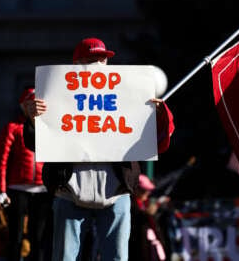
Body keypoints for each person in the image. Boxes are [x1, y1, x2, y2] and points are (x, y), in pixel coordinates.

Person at [22, 37, 175, 261]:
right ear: (77, 65)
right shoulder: (55, 96)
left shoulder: (127, 95)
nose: (98, 64)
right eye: (91, 59)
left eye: (102, 59)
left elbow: (159, 142)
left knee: (117, 257)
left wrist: (160, 114)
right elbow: (34, 144)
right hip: (69, 189)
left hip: (116, 191)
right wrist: (33, 120)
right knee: (64, 256)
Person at [0, 87, 52, 261]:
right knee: (16, 236)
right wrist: (1, 190)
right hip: (17, 189)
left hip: (42, 189)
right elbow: (1, 161)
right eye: (29, 103)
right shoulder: (12, 128)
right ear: (23, 106)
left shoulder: (48, 130)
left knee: (39, 238)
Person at [129, 174, 168, 261]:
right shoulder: (130, 204)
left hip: (149, 247)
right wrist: (147, 213)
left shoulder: (145, 203)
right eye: (144, 190)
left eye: (148, 190)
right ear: (136, 189)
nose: (147, 192)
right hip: (137, 249)